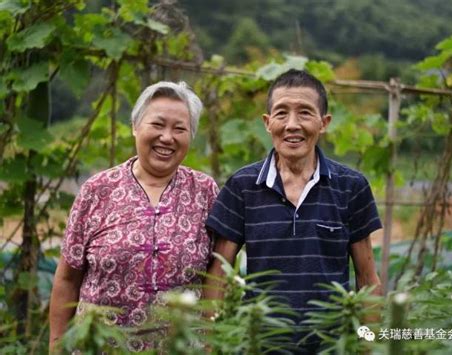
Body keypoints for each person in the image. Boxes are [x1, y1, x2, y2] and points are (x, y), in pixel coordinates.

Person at [204, 69, 382, 353]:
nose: (292, 125)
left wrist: (369, 344)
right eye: (281, 113)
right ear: (267, 122)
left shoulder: (352, 187)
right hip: (259, 346)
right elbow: (219, 276)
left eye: (305, 113)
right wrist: (209, 345)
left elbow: (367, 279)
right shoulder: (243, 186)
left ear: (323, 123)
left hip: (331, 347)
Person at [49, 81, 219, 352]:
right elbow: (67, 278)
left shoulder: (205, 191)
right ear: (135, 126)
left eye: (180, 129)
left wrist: (211, 344)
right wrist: (56, 347)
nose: (167, 137)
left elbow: (214, 276)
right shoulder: (97, 190)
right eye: (157, 125)